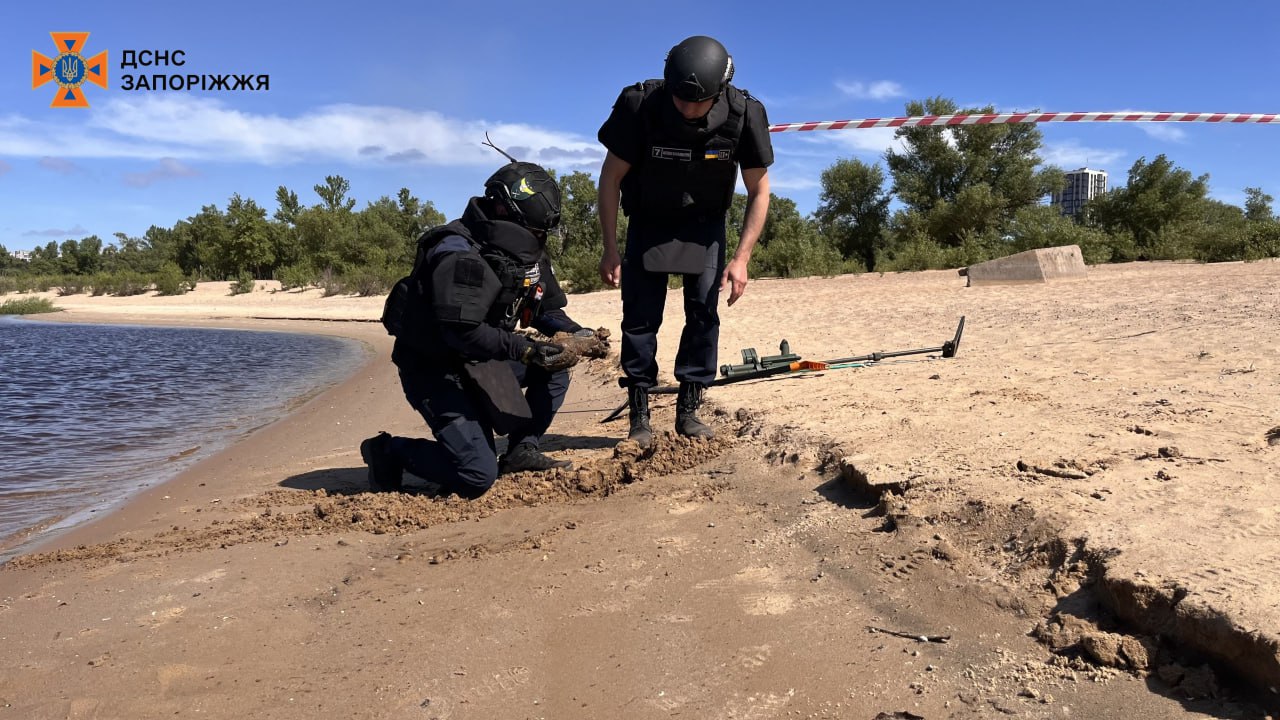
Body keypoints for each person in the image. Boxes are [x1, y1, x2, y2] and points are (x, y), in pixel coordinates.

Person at [361, 162, 606, 498]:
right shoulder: (456, 253)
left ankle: (522, 451)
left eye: (541, 233)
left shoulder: (527, 253)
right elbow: (460, 333)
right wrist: (526, 350)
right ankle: (388, 451)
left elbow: (543, 310)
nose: (539, 238)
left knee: (556, 367)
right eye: (535, 231)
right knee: (476, 475)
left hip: (484, 358)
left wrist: (580, 336)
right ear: (505, 209)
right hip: (434, 371)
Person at [596, 35, 774, 448]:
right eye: (680, 100)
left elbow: (759, 190)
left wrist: (741, 258)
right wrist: (610, 246)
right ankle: (639, 412)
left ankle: (689, 409)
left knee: (702, 316)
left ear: (721, 90)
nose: (689, 110)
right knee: (640, 319)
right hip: (649, 220)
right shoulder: (639, 105)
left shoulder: (746, 113)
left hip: (705, 223)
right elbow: (611, 179)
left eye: (700, 103)